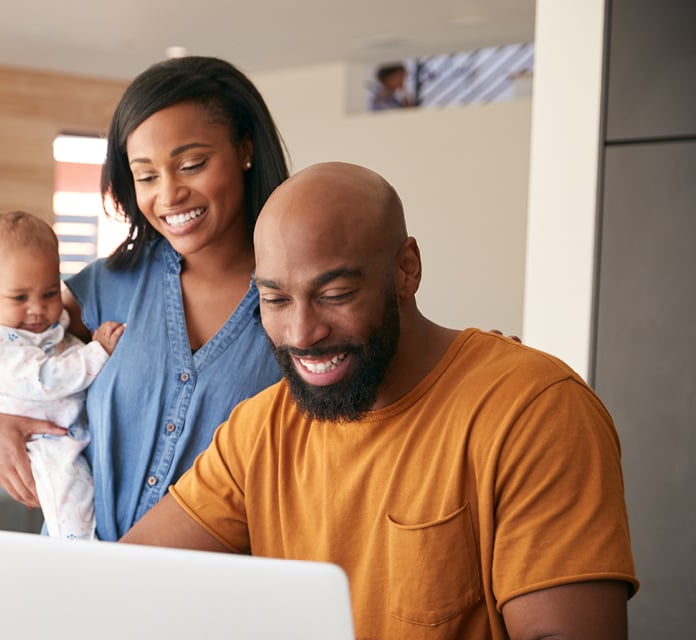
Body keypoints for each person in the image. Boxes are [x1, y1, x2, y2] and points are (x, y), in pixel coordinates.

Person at [121, 162, 637, 639]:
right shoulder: (261, 428)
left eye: (335, 295)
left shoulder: (533, 411)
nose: (302, 332)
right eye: (275, 300)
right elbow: (125, 584)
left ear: (406, 270)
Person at [0, 56, 292, 541]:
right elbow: (11, 356)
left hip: (222, 594)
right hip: (88, 581)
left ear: (245, 149)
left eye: (192, 164)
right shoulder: (105, 287)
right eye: (146, 175)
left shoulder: (299, 301)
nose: (170, 194)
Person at [0, 211, 125, 540]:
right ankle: (78, 554)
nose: (37, 309)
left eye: (50, 293)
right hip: (43, 443)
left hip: (64, 431)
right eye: (20, 298)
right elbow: (48, 379)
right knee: (72, 503)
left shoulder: (32, 327)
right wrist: (98, 351)